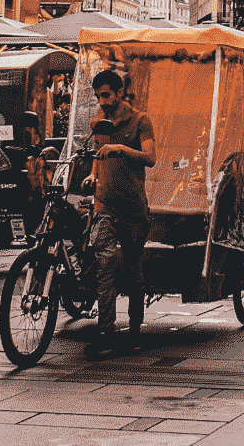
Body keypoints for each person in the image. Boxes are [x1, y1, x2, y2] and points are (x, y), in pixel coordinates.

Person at [82, 70, 156, 357]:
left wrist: (121, 149)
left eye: (106, 95)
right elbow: (99, 157)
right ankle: (106, 331)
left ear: (120, 93)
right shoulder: (98, 124)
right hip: (105, 206)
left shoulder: (141, 121)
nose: (101, 101)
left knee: (134, 272)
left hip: (133, 207)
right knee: (105, 269)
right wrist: (91, 175)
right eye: (98, 95)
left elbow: (151, 158)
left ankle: (135, 330)